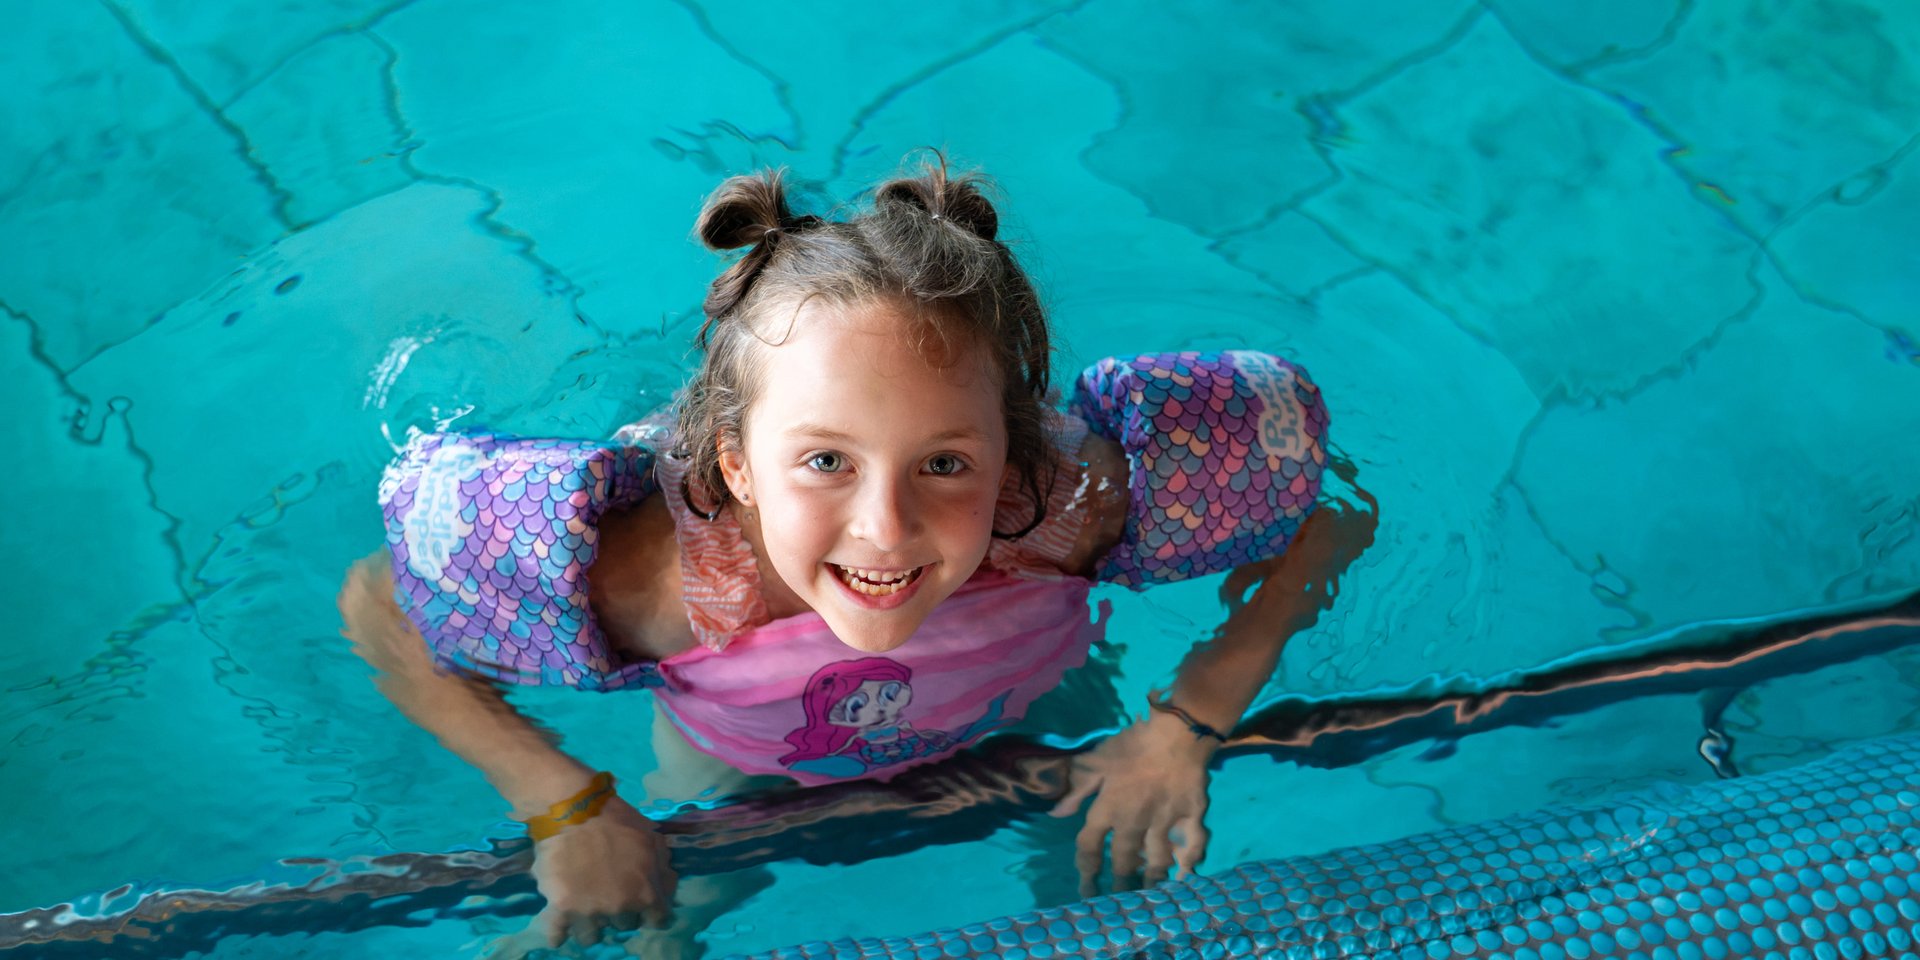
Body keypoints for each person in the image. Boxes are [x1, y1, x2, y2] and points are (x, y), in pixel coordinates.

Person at [337, 154, 1362, 956]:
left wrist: (1185, 727)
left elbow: (1331, 510)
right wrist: (563, 806)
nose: (886, 527)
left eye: (947, 463)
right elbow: (383, 600)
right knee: (663, 903)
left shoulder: (1066, 504)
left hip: (1027, 706)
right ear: (736, 468)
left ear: (1014, 450)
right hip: (746, 759)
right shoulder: (663, 582)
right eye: (826, 460)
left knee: (1112, 874)